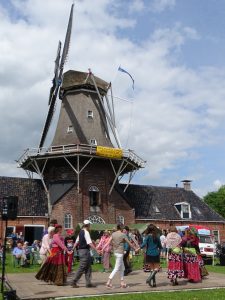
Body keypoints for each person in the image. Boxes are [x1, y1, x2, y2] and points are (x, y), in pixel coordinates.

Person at [102, 224, 138, 289]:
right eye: (123, 228)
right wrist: (135, 248)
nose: (124, 229)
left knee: (123, 268)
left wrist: (102, 249)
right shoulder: (123, 235)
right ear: (121, 228)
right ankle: (108, 282)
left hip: (116, 252)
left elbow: (107, 243)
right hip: (120, 253)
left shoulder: (113, 234)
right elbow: (129, 243)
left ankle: (122, 283)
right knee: (116, 268)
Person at [71, 220, 100, 288]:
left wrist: (72, 249)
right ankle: (74, 281)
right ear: (88, 225)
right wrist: (97, 250)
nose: (90, 226)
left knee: (88, 267)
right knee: (82, 267)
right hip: (85, 251)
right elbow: (89, 243)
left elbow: (76, 241)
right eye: (90, 225)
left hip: (81, 251)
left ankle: (88, 283)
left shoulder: (80, 232)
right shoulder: (86, 232)